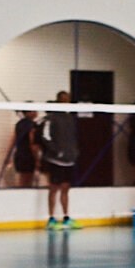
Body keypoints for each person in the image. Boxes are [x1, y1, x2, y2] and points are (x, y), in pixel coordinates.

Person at [40, 90, 78, 228]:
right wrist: (56, 151)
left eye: (67, 99)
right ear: (58, 100)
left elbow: (73, 137)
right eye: (63, 99)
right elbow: (45, 136)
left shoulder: (70, 118)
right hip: (55, 160)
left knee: (66, 188)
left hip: (69, 160)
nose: (65, 102)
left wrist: (73, 152)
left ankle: (66, 217)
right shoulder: (51, 118)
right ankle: (51, 219)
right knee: (53, 188)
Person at [9, 108, 41, 186]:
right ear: (28, 113)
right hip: (28, 157)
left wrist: (9, 156)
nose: (36, 112)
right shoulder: (32, 125)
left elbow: (12, 141)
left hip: (19, 155)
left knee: (23, 180)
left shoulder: (19, 124)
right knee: (26, 181)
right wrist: (37, 159)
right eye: (34, 110)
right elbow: (32, 143)